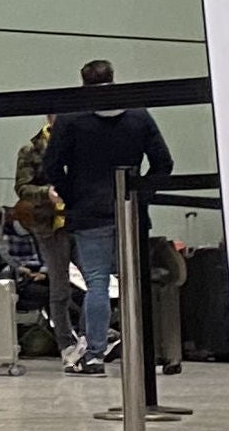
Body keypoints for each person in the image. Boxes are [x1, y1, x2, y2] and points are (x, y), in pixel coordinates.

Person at [38, 61, 174, 376]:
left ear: (83, 84)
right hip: (131, 209)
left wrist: (72, 196)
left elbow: (51, 166)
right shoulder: (139, 114)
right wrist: (142, 194)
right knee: (134, 282)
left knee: (97, 283)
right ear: (114, 80)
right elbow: (163, 162)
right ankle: (143, 351)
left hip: (89, 212)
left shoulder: (72, 117)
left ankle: (95, 354)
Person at [12, 121, 76, 359]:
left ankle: (92, 338)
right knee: (59, 286)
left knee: (97, 281)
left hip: (79, 220)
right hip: (48, 225)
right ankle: (66, 344)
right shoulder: (31, 149)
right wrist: (46, 192)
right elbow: (22, 187)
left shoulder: (79, 141)